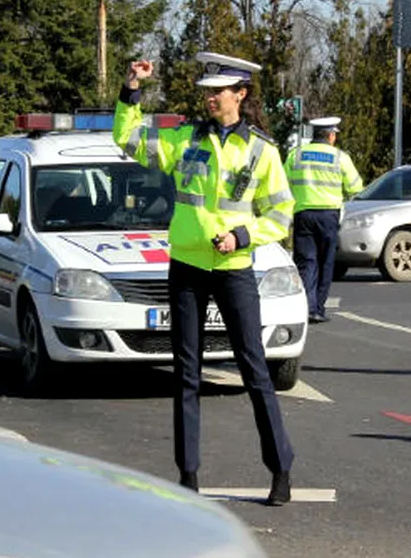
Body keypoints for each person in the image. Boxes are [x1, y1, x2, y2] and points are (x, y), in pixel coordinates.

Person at [112, 52, 296, 506]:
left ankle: (281, 470)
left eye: (219, 91)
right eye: (207, 91)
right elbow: (128, 139)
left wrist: (242, 235)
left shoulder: (261, 149)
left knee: (254, 370)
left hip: (234, 271)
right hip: (188, 268)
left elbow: (281, 214)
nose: (210, 98)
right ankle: (188, 475)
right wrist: (132, 89)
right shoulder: (186, 139)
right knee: (186, 374)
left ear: (241, 94)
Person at [285, 116, 364, 323]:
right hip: (328, 215)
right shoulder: (340, 157)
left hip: (303, 214)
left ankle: (305, 308)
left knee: (306, 262)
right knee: (325, 262)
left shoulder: (296, 155)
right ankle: (318, 309)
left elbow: (283, 184)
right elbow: (356, 187)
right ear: (330, 135)